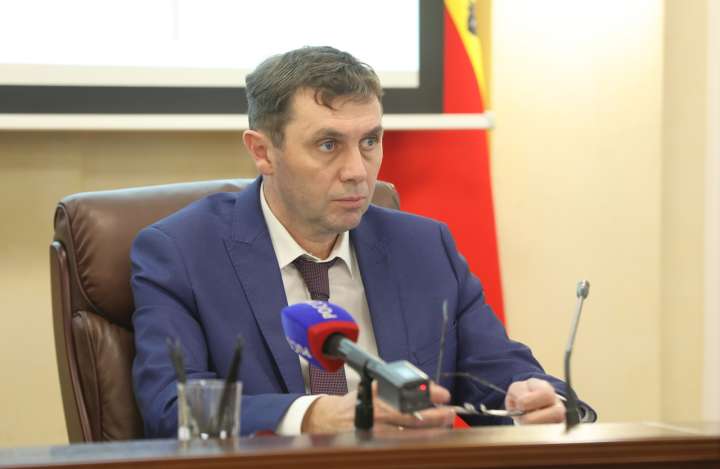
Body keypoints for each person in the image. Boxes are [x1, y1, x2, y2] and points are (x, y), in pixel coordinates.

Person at [131, 46, 594, 437]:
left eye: (370, 141)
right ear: (263, 151)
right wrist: (314, 416)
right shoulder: (183, 252)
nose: (357, 171)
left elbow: (499, 371)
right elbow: (172, 406)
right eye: (328, 145)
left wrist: (539, 400)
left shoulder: (424, 247)